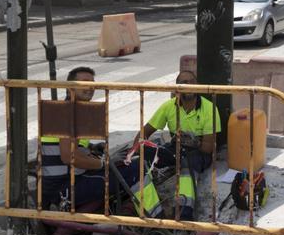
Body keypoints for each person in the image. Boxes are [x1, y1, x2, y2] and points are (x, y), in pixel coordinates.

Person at [40, 66, 139, 209]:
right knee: (136, 169)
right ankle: (150, 216)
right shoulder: (69, 113)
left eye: (92, 84)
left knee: (120, 169)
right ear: (70, 88)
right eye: (84, 83)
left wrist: (91, 148)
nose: (90, 87)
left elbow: (66, 146)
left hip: (62, 183)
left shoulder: (67, 109)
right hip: (63, 187)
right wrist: (103, 164)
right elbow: (68, 157)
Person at [131, 70, 221, 220]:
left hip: (198, 153)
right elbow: (145, 132)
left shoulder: (209, 108)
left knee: (187, 163)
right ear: (177, 88)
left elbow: (208, 148)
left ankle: (184, 213)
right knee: (139, 158)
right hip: (176, 149)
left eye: (191, 82)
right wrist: (137, 149)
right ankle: (152, 214)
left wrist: (195, 142)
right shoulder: (168, 107)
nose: (188, 85)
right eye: (183, 82)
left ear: (198, 85)